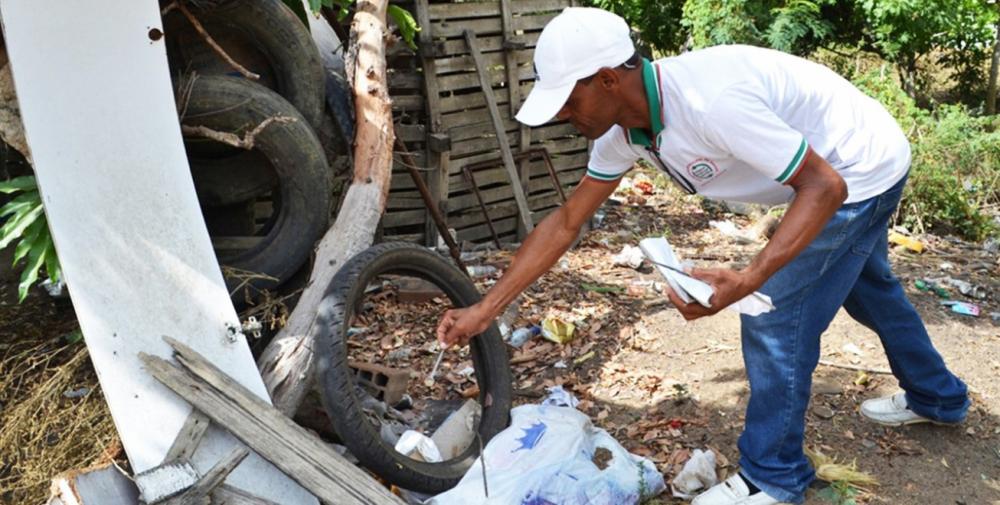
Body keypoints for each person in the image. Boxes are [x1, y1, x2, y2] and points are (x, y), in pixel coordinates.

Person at [435, 7, 970, 505]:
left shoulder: (710, 102)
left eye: (569, 100)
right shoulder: (624, 132)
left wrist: (748, 278)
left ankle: (774, 477)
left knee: (773, 315)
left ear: (608, 79)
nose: (563, 115)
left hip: (858, 169)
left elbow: (824, 187)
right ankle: (938, 397)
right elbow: (566, 223)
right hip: (836, 168)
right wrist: (486, 308)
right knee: (869, 292)